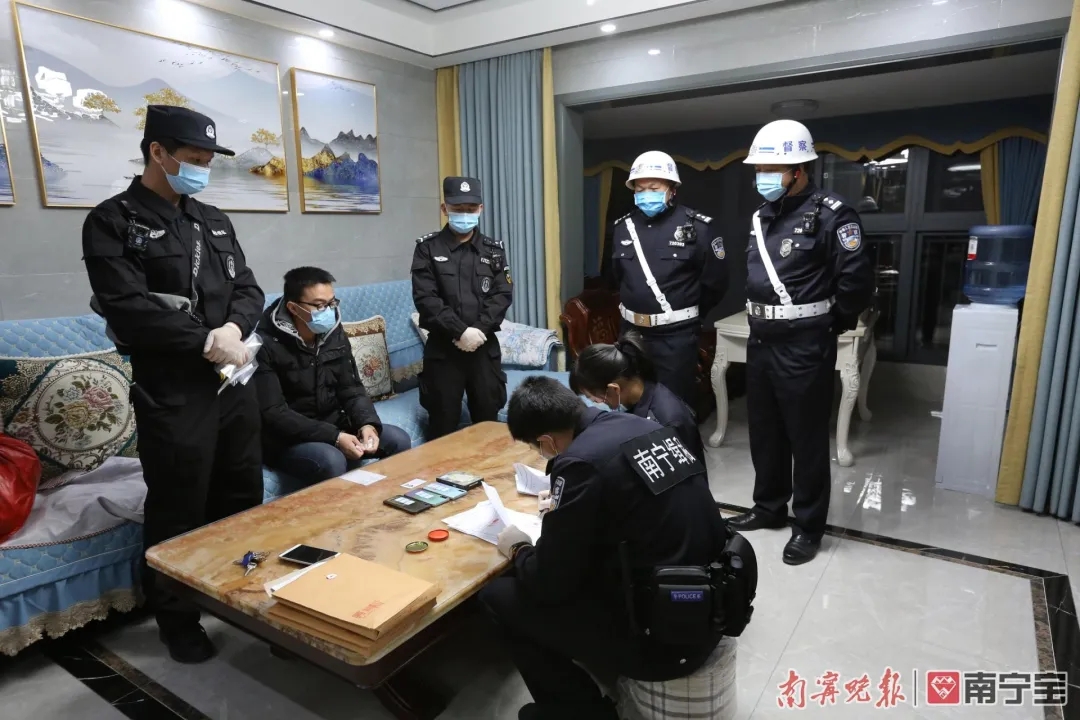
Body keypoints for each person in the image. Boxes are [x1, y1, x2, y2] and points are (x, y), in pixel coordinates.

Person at [82, 105, 264, 663]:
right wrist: (206, 340)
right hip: (173, 389)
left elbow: (248, 288)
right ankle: (177, 619)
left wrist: (234, 329)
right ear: (157, 152)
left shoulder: (213, 219)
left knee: (241, 495)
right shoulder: (113, 221)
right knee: (178, 504)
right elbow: (127, 307)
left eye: (209, 159)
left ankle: (240, 593)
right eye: (194, 157)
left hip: (233, 383)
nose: (203, 167)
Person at [479, 376, 755, 720]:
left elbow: (549, 582)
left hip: (661, 639)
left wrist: (520, 549)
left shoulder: (579, 462)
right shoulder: (643, 426)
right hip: (709, 605)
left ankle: (576, 711)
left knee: (497, 596)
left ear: (547, 440)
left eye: (538, 448)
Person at [725, 119, 874, 565]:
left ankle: (808, 526)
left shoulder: (833, 214)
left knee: (805, 439)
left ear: (799, 169)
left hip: (806, 342)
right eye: (759, 169)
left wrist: (829, 324)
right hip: (761, 339)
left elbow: (856, 282)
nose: (762, 177)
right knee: (765, 431)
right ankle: (769, 507)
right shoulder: (762, 217)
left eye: (771, 169)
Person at [254, 267, 411, 484]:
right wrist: (335, 437)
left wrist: (367, 424)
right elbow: (275, 414)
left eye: (331, 303)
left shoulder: (333, 333)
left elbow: (352, 388)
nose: (328, 311)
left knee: (397, 440)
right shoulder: (264, 344)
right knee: (331, 460)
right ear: (293, 308)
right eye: (319, 305)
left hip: (334, 424)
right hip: (288, 439)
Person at [606, 151, 729, 409]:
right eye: (640, 189)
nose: (646, 194)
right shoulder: (622, 228)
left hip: (675, 336)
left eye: (654, 188)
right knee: (634, 404)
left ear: (672, 189)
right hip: (631, 333)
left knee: (674, 406)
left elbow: (715, 282)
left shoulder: (698, 227)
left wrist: (686, 316)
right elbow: (619, 277)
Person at [411, 177, 513, 438]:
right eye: (458, 208)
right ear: (444, 209)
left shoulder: (493, 250)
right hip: (444, 351)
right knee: (442, 424)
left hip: (483, 348)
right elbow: (426, 298)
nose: (465, 214)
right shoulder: (427, 248)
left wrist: (477, 331)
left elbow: (502, 294)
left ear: (480, 209)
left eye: (471, 208)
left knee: (488, 424)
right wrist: (460, 331)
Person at [572, 330, 704, 460]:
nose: (596, 403)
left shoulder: (662, 423)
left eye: (593, 398)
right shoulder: (643, 393)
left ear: (613, 389)